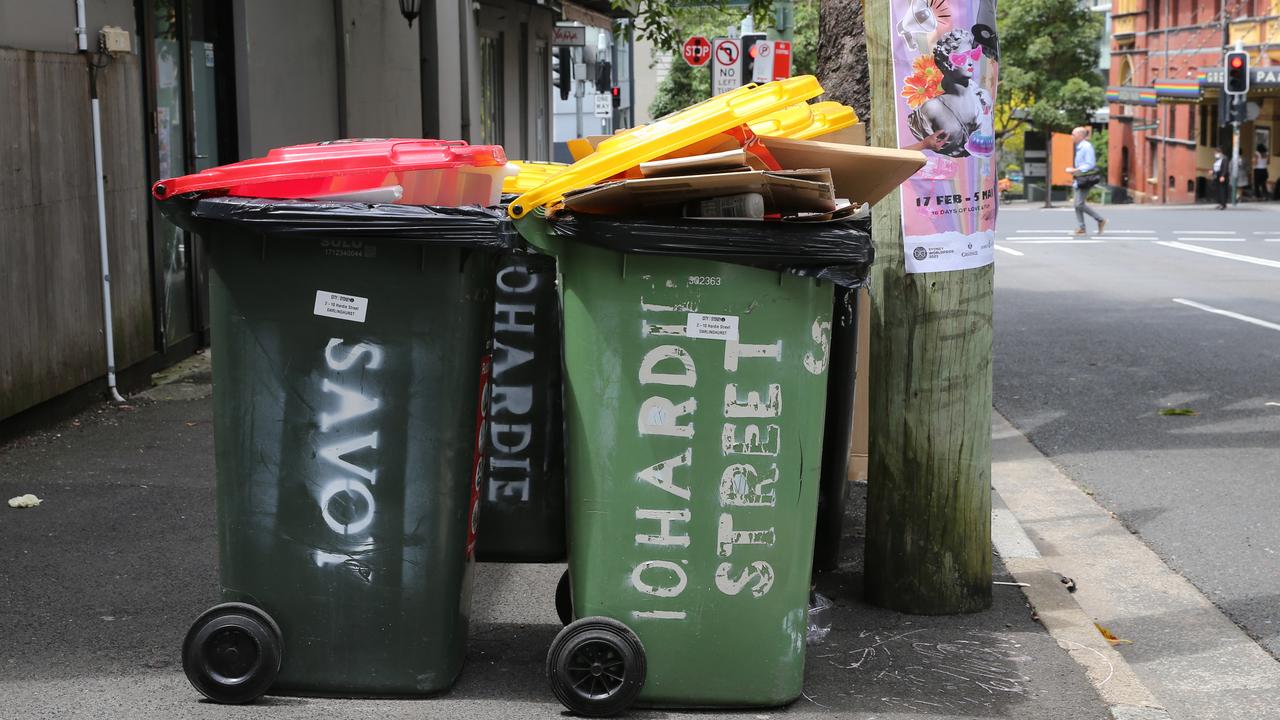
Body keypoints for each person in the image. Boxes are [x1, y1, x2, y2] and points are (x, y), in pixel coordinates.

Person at [905, 29, 994, 158]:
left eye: (972, 54)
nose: (970, 62)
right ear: (945, 63)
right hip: (935, 173)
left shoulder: (982, 98)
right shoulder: (931, 108)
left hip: (975, 176)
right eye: (961, 57)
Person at [1066, 126, 1106, 235]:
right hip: (1080, 177)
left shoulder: (1086, 147)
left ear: (1080, 135)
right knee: (1077, 204)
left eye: (1073, 134)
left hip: (1086, 178)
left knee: (1079, 204)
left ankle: (1100, 219)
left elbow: (1090, 164)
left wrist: (1075, 170)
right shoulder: (1079, 147)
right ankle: (1081, 228)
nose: (1072, 137)